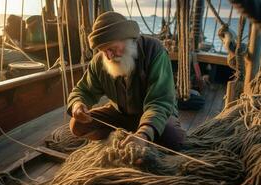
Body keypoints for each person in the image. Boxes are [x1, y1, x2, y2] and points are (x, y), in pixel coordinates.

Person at [67, 11, 185, 150]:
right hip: (120, 115)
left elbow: (160, 101)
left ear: (127, 38)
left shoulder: (154, 50)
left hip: (154, 114)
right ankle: (124, 137)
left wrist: (143, 134)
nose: (109, 56)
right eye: (103, 51)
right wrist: (78, 105)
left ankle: (137, 137)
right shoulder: (99, 61)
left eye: (111, 49)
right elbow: (83, 90)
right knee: (77, 125)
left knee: (172, 138)